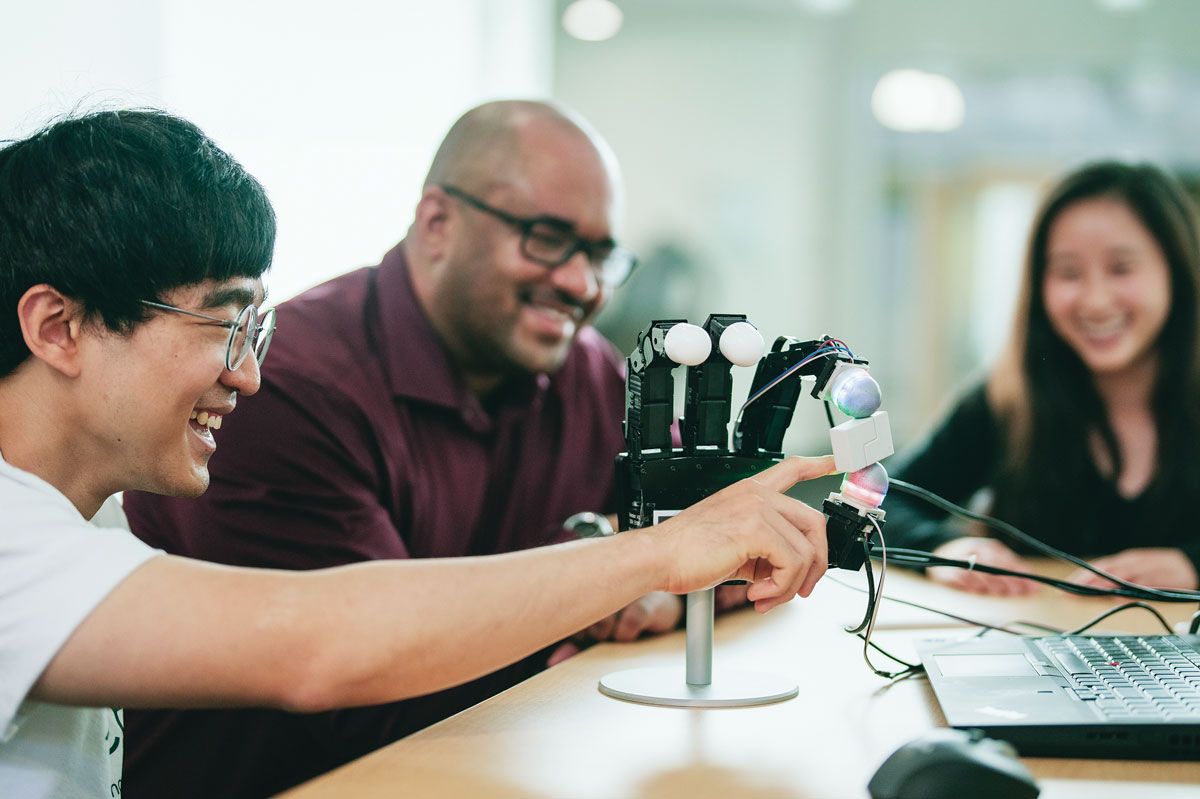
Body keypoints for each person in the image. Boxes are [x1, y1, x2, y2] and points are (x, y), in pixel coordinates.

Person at [0, 108, 834, 799]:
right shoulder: (14, 544)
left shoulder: (91, 520)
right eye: (224, 326)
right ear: (58, 327)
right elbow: (321, 644)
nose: (249, 375)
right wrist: (652, 554)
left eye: (257, 331)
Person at [883, 160, 1200, 595]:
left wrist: (1192, 563)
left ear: (1177, 272)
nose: (1095, 301)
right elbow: (879, 501)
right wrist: (944, 548)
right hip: (1035, 652)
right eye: (1068, 273)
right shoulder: (1006, 400)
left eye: (1122, 268)